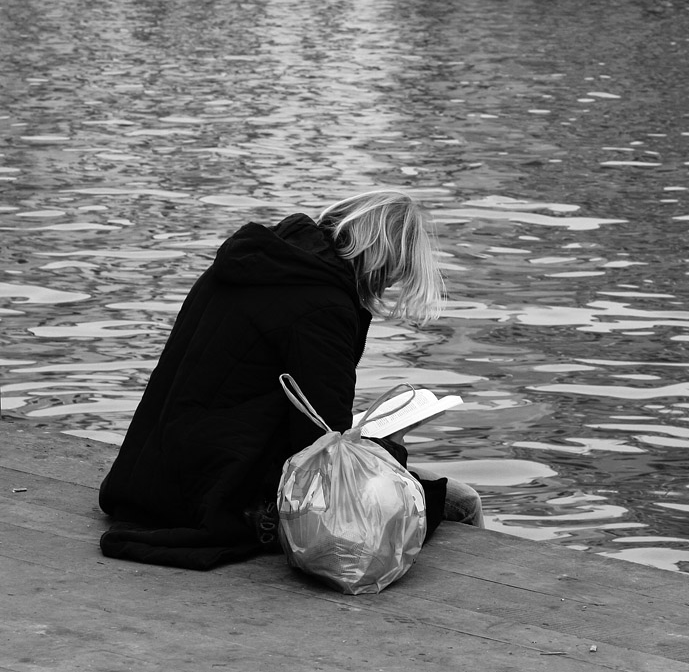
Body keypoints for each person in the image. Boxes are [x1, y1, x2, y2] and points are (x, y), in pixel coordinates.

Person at [98, 190, 483, 570]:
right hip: (224, 493)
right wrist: (392, 445)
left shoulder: (254, 261)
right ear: (384, 261)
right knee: (461, 502)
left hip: (152, 473)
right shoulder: (323, 306)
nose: (387, 287)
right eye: (395, 275)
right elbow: (322, 450)